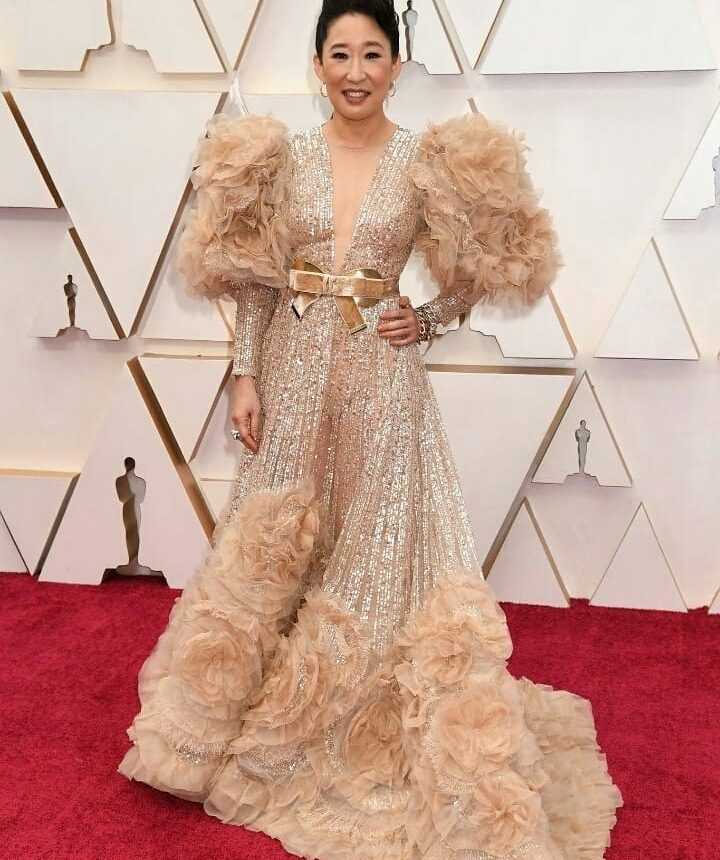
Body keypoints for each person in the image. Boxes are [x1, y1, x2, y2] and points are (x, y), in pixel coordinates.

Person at [117, 1, 624, 857]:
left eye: (373, 54)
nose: (356, 71)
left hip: (381, 385)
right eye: (341, 54)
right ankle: (238, 719)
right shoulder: (285, 158)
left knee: (374, 549)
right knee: (278, 540)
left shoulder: (426, 162)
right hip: (294, 374)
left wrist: (424, 320)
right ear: (318, 64)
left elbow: (487, 265)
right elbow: (258, 282)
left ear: (397, 64)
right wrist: (245, 375)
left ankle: (354, 718)